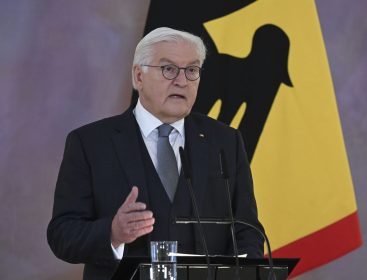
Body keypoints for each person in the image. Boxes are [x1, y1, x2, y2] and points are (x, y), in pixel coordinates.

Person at [47, 27, 264, 280]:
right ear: (139, 76)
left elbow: (248, 229)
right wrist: (113, 233)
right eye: (168, 69)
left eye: (192, 70)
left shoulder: (225, 141)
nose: (182, 81)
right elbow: (62, 234)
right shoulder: (90, 143)